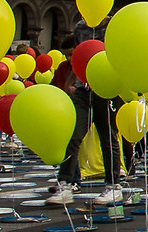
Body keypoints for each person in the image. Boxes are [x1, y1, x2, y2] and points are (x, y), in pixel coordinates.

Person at [48, 34, 121, 206]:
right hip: (83, 89)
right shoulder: (80, 28)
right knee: (73, 135)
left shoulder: (111, 27)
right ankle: (65, 184)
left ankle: (113, 186)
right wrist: (70, 82)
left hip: (105, 86)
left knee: (108, 137)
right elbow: (79, 58)